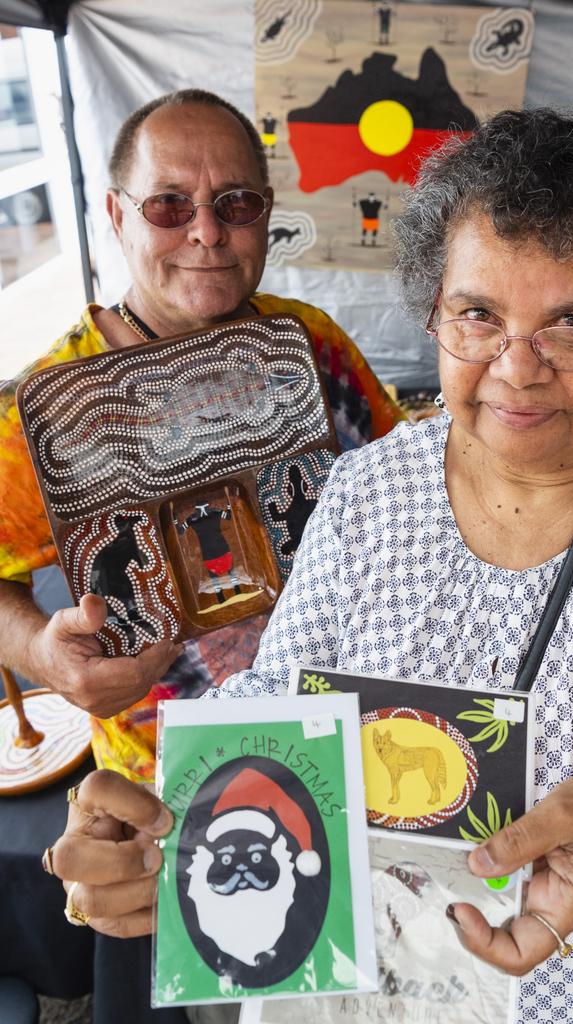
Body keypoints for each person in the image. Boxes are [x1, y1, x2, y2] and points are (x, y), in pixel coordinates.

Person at [49, 109, 573, 1022]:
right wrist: (161, 820)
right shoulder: (365, 495)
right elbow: (279, 712)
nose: (517, 368)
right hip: (414, 991)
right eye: (477, 315)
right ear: (434, 313)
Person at [0, 88, 402, 784]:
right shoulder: (49, 408)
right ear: (117, 215)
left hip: (347, 738)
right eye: (169, 205)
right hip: (163, 777)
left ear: (266, 214)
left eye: (236, 203)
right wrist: (42, 653)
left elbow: (404, 496)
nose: (208, 232)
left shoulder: (312, 346)